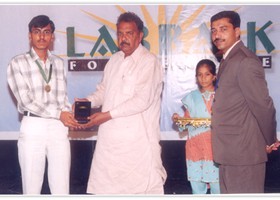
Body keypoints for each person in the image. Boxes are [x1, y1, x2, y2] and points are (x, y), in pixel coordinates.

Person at [75, 12, 167, 194]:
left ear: (140, 36)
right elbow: (103, 91)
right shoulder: (114, 60)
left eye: (129, 33)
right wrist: (88, 101)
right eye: (120, 34)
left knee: (140, 191)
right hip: (109, 144)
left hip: (137, 146)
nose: (123, 38)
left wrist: (106, 115)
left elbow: (142, 100)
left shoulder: (149, 62)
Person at [7, 15, 80, 194]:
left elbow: (62, 99)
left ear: (52, 37)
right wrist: (59, 114)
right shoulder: (17, 63)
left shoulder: (59, 63)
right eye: (37, 32)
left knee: (62, 188)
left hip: (58, 127)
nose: (42, 37)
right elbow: (26, 101)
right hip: (33, 126)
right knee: (31, 189)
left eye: (46, 32)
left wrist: (70, 117)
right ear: (29, 35)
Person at [210, 10, 279, 193]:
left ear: (237, 31)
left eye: (223, 29)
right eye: (214, 30)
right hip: (229, 155)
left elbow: (263, 106)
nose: (217, 35)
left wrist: (270, 139)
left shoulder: (245, 61)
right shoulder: (227, 60)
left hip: (244, 157)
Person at [172, 59, 220, 194]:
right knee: (197, 187)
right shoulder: (191, 98)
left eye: (207, 74)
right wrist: (178, 120)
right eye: (199, 75)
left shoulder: (222, 96)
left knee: (218, 188)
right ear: (196, 77)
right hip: (195, 147)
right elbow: (185, 124)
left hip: (216, 148)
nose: (203, 78)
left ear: (214, 76)